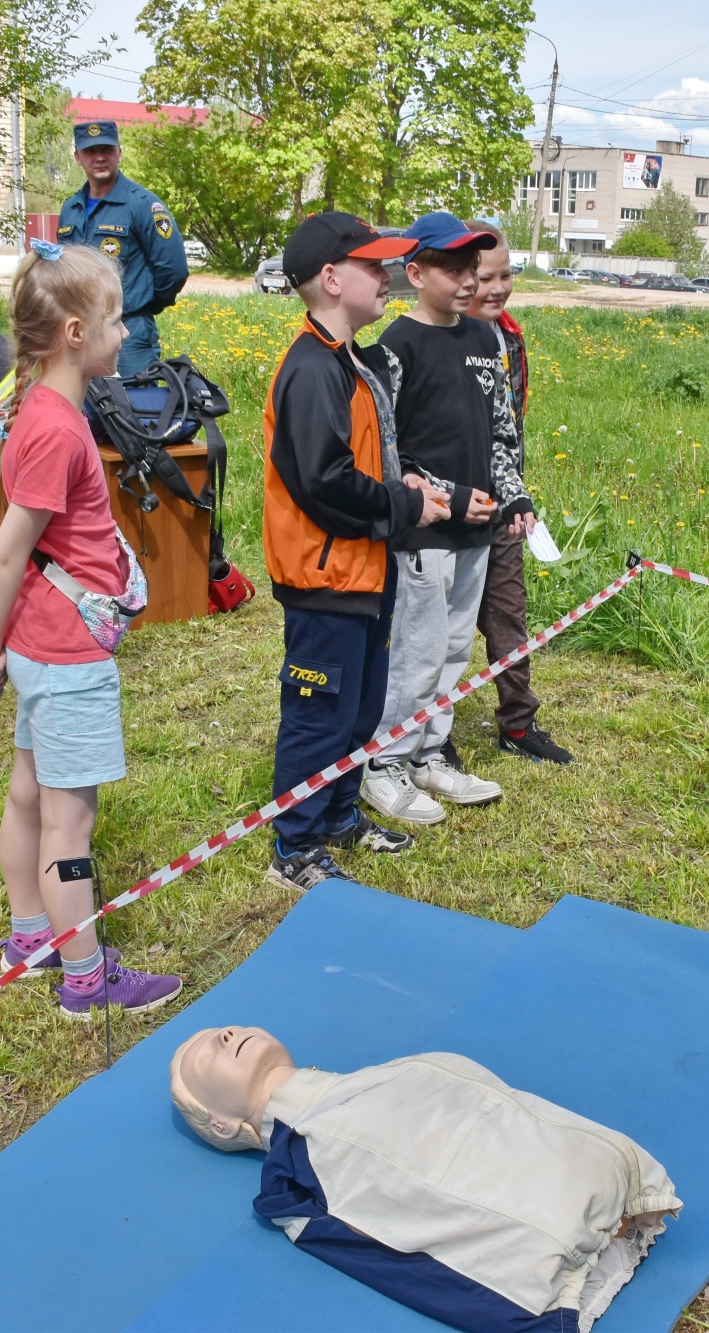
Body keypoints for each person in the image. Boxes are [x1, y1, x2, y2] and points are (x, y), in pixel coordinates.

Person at [0, 239, 181, 1017]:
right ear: (78, 332)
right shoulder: (56, 428)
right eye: (117, 320)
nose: (126, 333)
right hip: (64, 653)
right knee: (69, 820)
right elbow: (5, 553)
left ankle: (29, 936)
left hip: (40, 646)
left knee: (28, 795)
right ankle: (84, 974)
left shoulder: (39, 411)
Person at [170, 1025, 680, 1333]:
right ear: (221, 1125)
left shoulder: (393, 1071)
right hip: (549, 1247)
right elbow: (389, 1258)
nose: (225, 1036)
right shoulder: (300, 1173)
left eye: (225, 1030)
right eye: (206, 1056)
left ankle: (598, 1197)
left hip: (604, 1171)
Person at [261, 212, 448, 891]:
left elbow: (357, 463)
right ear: (332, 279)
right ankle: (296, 846)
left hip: (365, 569)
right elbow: (323, 482)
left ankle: (338, 815)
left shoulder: (348, 361)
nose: (389, 277)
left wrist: (400, 484)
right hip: (326, 578)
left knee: (361, 710)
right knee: (319, 716)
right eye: (375, 267)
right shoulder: (312, 368)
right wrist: (404, 506)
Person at [362, 212, 535, 827]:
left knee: (456, 649)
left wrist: (511, 496)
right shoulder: (392, 349)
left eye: (473, 269)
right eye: (453, 269)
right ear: (415, 273)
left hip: (476, 531)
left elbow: (500, 432)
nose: (468, 282)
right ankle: (383, 764)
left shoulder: (486, 340)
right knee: (417, 650)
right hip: (423, 531)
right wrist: (447, 495)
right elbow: (388, 455)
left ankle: (429, 753)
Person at [464, 222, 573, 765]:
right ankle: (424, 734)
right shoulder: (434, 338)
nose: (498, 286)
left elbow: (512, 426)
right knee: (445, 629)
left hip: (505, 504)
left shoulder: (511, 335)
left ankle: (518, 722)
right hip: (447, 511)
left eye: (506, 274)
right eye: (486, 277)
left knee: (510, 611)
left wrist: (516, 496)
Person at [56, 119, 189, 375]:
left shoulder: (142, 204)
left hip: (129, 333)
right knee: (82, 410)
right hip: (79, 331)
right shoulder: (70, 209)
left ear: (119, 153)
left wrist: (142, 305)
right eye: (91, 152)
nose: (100, 158)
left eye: (106, 150)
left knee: (134, 408)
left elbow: (174, 270)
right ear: (77, 158)